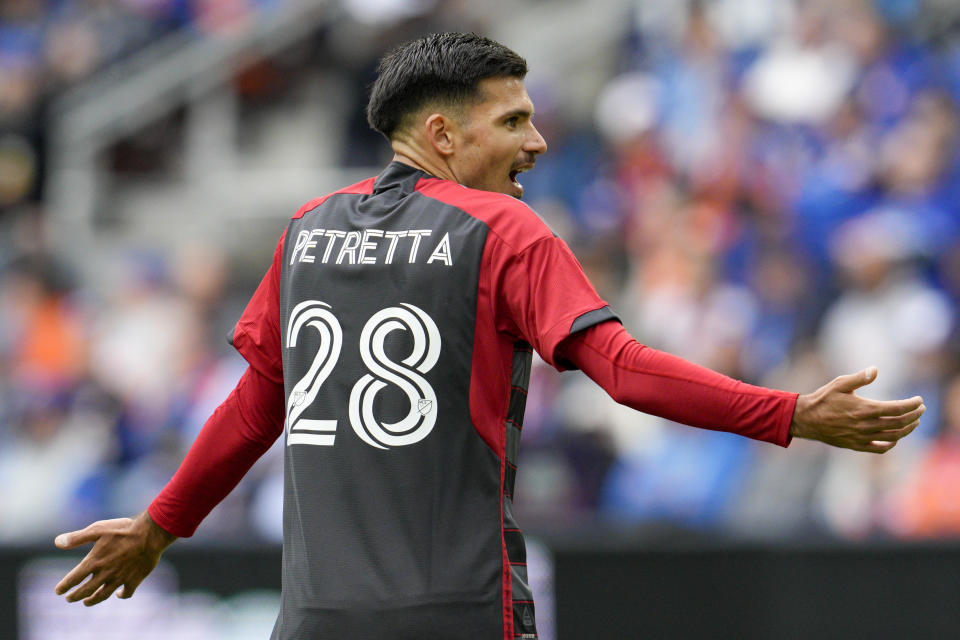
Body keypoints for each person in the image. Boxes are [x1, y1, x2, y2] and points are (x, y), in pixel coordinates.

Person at [53, 33, 925, 640]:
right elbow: (620, 370)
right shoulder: (505, 233)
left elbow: (255, 408)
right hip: (459, 612)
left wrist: (160, 528)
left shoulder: (306, 231)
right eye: (512, 121)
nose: (538, 141)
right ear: (442, 133)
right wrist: (786, 415)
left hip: (316, 620)